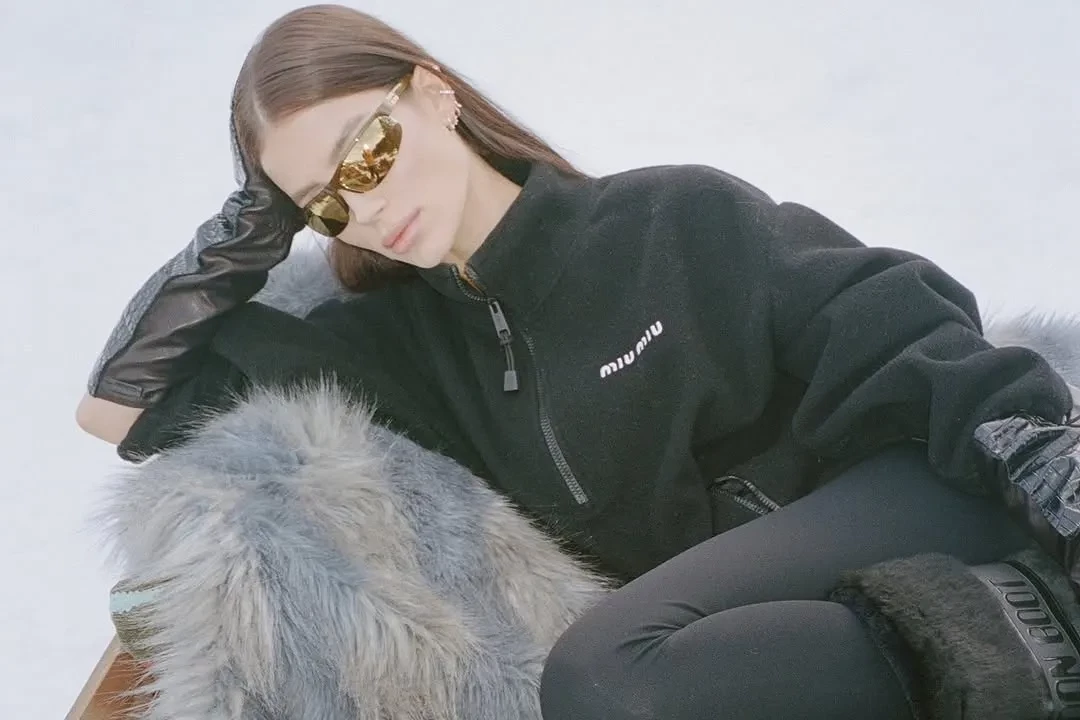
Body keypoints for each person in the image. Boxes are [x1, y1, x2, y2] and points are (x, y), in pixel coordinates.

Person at [75, 4, 1080, 719]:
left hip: (921, 499)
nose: (367, 205)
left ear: (434, 95)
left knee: (599, 672)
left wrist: (1037, 457)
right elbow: (122, 410)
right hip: (778, 637)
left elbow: (889, 322)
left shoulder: (665, 219)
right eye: (327, 203)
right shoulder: (400, 351)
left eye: (368, 153)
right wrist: (252, 221)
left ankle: (1057, 636)